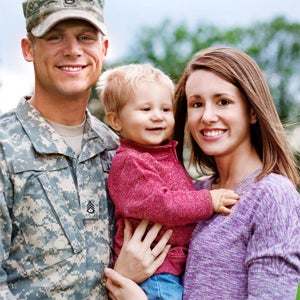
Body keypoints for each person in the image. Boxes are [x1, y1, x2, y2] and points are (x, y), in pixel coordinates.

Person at [0, 1, 171, 299]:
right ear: (29, 49)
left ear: (103, 49)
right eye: (55, 36)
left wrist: (123, 277)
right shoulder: (5, 149)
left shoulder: (117, 151)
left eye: (85, 37)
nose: (73, 49)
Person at [104, 46, 300, 300]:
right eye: (196, 104)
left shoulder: (273, 195)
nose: (207, 116)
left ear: (252, 111)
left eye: (223, 102)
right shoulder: (195, 192)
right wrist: (125, 274)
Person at [96, 63, 239, 299]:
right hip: (154, 274)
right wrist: (208, 200)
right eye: (145, 109)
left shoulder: (159, 155)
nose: (157, 117)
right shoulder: (131, 162)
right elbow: (162, 204)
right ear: (116, 121)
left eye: (165, 109)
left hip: (169, 268)